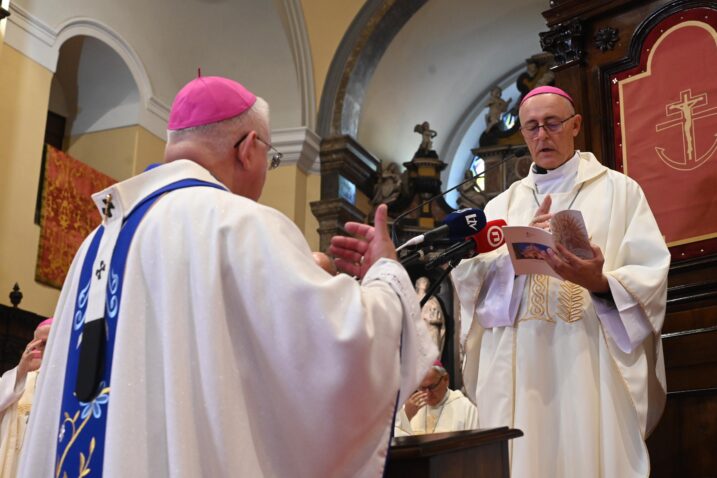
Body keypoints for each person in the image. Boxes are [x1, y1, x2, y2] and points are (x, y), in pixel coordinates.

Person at [19, 76, 436, 478]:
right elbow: (347, 344)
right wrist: (385, 270)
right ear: (248, 148)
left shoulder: (97, 242)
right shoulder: (239, 225)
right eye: (271, 158)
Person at [451, 85, 670, 478]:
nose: (542, 135)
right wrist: (507, 258)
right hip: (520, 366)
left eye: (552, 123)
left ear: (575, 126)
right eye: (532, 127)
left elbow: (650, 272)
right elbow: (471, 285)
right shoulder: (501, 206)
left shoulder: (620, 192)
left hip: (589, 358)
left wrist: (601, 282)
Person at [0, 318, 52, 477]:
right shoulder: (15, 382)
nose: (39, 348)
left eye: (46, 343)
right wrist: (22, 369)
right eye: (37, 342)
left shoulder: (65, 381)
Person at [394, 360, 478, 436]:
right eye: (422, 388)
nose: (427, 394)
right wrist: (406, 416)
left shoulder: (466, 408)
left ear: (446, 379)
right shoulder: (410, 407)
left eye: (432, 387)